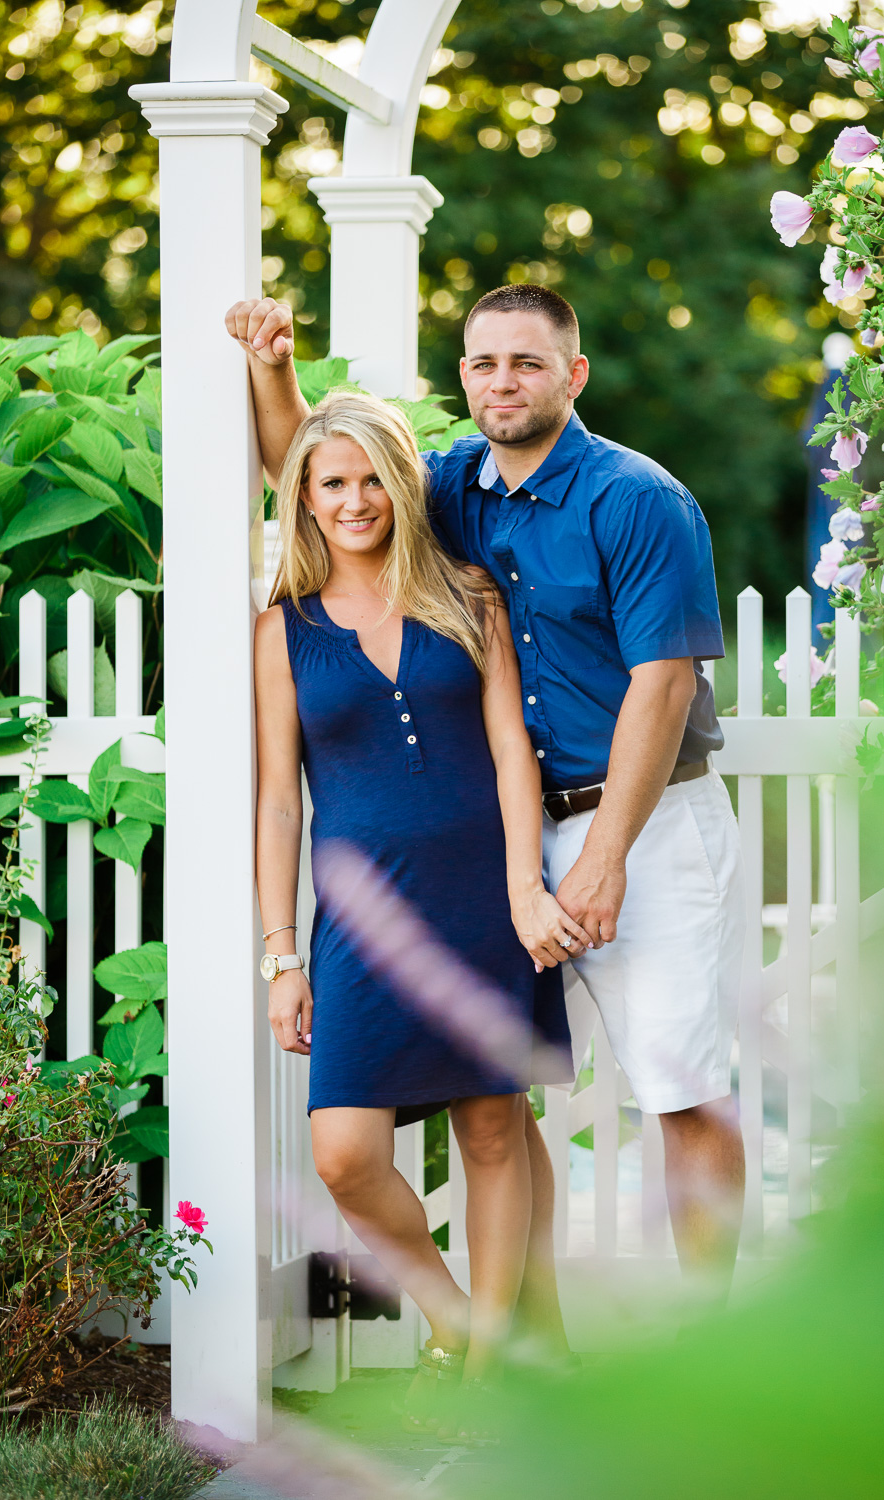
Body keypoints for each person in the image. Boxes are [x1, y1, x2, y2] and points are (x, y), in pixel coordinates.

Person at [229, 280, 747, 1308]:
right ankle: (529, 1338)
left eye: (526, 362)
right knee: (501, 1106)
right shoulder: (458, 483)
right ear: (463, 376)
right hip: (511, 840)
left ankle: (712, 1343)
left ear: (574, 373)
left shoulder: (637, 499)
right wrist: (275, 366)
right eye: (482, 363)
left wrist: (598, 865)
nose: (502, 381)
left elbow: (664, 681)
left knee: (676, 1087)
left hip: (640, 830)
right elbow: (324, 468)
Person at [253, 389, 582, 1434]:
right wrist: (279, 955)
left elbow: (507, 753)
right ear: (303, 498)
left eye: (369, 480)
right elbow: (276, 799)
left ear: (401, 485)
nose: (353, 501)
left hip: (482, 899)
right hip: (359, 920)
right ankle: (451, 1322)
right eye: (330, 483)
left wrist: (526, 884)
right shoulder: (282, 631)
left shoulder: (469, 600)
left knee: (493, 1128)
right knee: (346, 1151)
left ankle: (488, 1371)